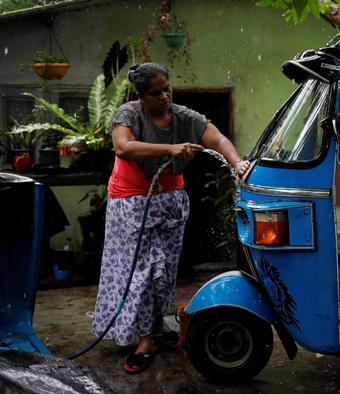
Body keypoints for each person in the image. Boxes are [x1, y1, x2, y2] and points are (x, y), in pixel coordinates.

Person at [91, 63, 249, 374]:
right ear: (141, 96)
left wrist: (237, 163)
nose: (164, 96)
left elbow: (217, 139)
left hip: (170, 201)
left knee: (162, 269)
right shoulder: (129, 114)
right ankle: (146, 338)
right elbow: (122, 148)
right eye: (155, 92)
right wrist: (170, 148)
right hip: (132, 203)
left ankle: (155, 329)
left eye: (167, 88)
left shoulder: (183, 116)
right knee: (142, 271)